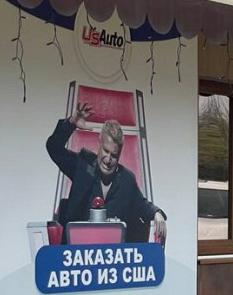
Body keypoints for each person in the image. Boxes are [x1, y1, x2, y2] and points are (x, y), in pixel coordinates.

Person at [46, 102, 166, 243]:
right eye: (106, 151)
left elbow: (141, 204)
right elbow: (54, 148)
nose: (108, 159)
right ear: (99, 144)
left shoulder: (126, 179)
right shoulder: (83, 166)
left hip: (110, 253)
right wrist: (71, 123)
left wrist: (157, 213)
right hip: (77, 250)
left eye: (114, 155)